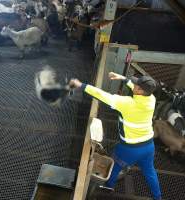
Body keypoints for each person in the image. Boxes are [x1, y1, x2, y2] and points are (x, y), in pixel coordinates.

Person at [69, 72, 162, 200]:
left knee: (115, 165)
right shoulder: (151, 99)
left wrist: (81, 85)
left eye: (136, 85)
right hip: (148, 146)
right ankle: (157, 197)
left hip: (129, 149)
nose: (133, 85)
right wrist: (122, 78)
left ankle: (108, 187)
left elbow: (102, 95)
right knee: (150, 171)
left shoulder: (126, 103)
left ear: (139, 90)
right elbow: (136, 88)